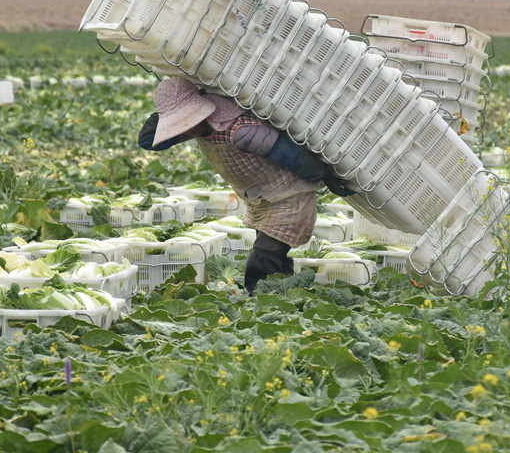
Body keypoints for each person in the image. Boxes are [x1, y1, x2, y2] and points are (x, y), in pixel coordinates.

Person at [138, 77, 354, 294]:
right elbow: (148, 141)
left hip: (289, 194)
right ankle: (285, 297)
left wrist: (323, 176)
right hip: (263, 198)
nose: (184, 128)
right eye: (179, 123)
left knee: (263, 257)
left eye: (185, 120)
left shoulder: (240, 130)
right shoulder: (198, 126)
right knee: (274, 256)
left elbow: (291, 154)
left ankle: (259, 302)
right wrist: (170, 110)